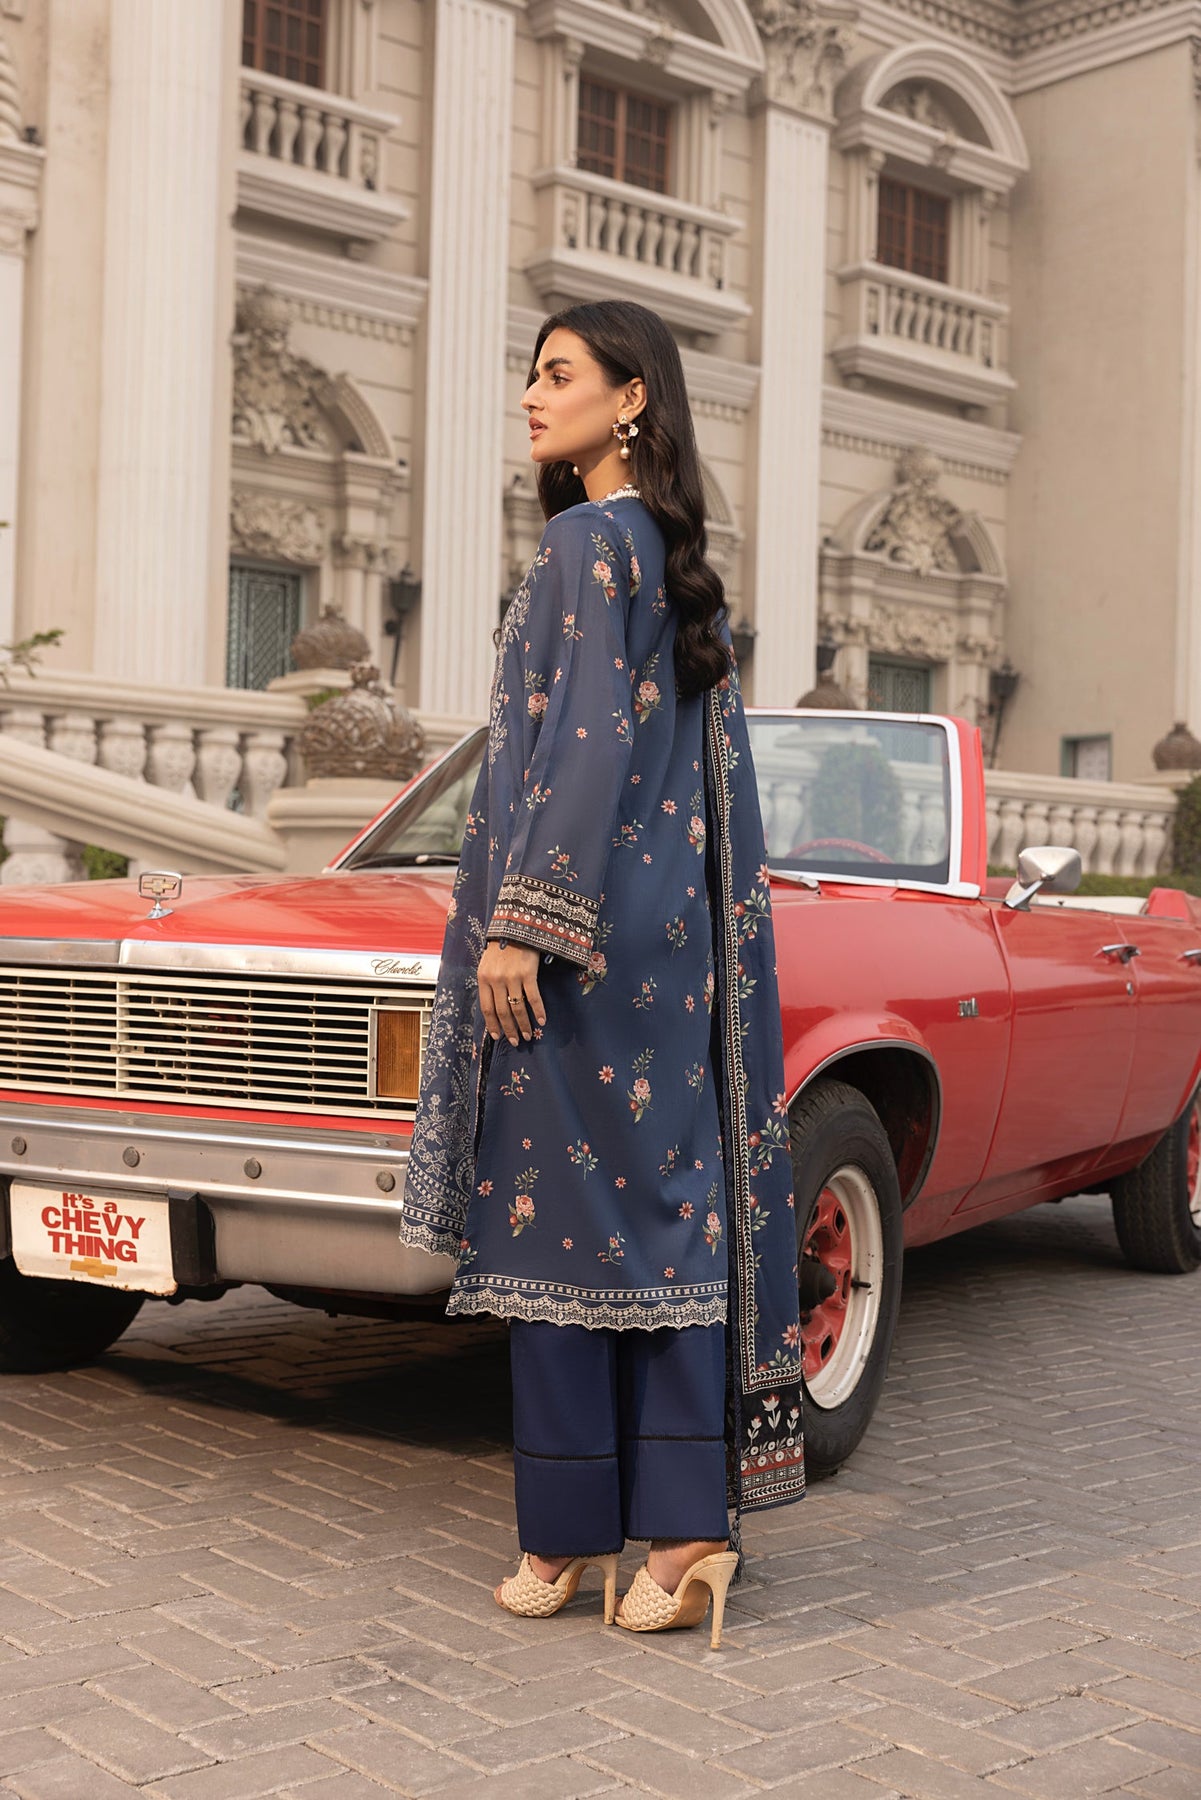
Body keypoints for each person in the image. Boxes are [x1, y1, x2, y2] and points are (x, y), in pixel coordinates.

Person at [402, 299, 803, 1648]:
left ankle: (587, 1531)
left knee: (547, 1224)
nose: (531, 394)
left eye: (558, 373)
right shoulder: (667, 558)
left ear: (631, 399)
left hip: (569, 948)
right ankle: (670, 1530)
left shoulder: (585, 542)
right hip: (662, 951)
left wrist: (523, 923)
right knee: (663, 1217)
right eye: (531, 373)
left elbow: (578, 744)